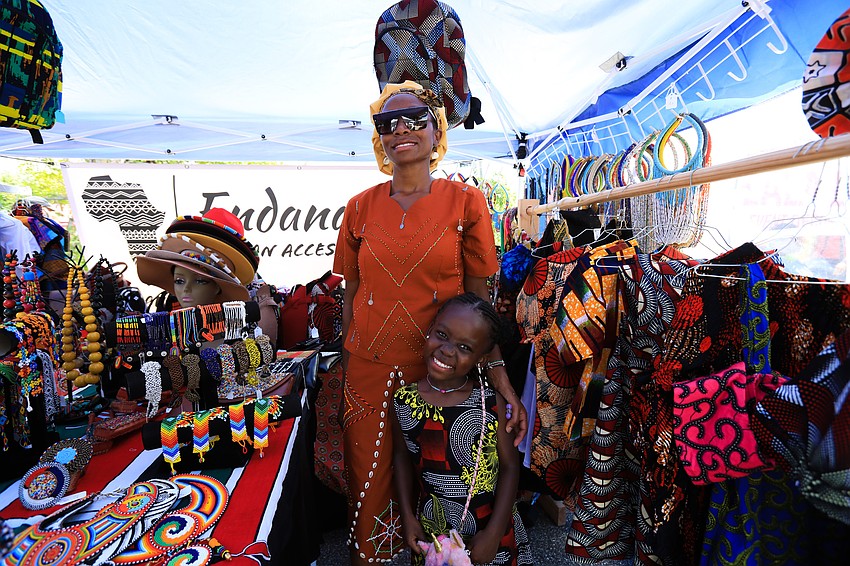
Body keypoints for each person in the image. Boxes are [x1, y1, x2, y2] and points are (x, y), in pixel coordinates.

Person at [333, 80, 528, 564]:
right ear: (379, 136)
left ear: (436, 129)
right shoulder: (357, 208)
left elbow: (480, 302)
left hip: (441, 370)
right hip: (368, 371)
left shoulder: (466, 202)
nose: (400, 129)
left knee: (448, 489)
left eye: (415, 119)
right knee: (368, 487)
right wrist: (345, 366)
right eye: (387, 123)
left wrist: (499, 377)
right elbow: (351, 293)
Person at [393, 293, 532, 565]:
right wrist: (407, 517)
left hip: (489, 534)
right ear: (430, 328)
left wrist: (493, 533)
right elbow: (401, 457)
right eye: (442, 334)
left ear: (481, 359)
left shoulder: (490, 403)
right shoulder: (403, 402)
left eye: (465, 347)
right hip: (433, 536)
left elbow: (510, 467)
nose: (447, 350)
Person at [135, 207, 278, 344]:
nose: (186, 289)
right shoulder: (166, 325)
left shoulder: (246, 324)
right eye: (179, 280)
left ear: (218, 287)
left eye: (200, 281)